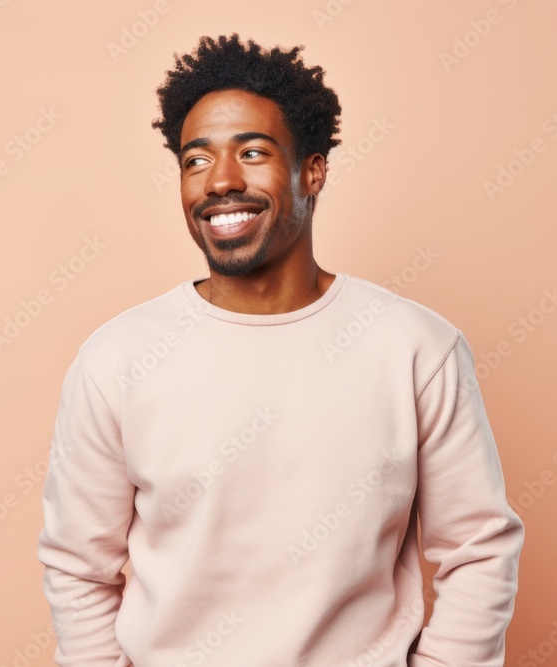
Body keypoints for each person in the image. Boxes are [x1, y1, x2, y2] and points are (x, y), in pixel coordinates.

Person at [36, 33, 524, 667]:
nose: (222, 181)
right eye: (196, 160)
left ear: (312, 171)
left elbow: (480, 550)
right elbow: (77, 568)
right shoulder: (116, 360)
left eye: (253, 151)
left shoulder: (415, 349)